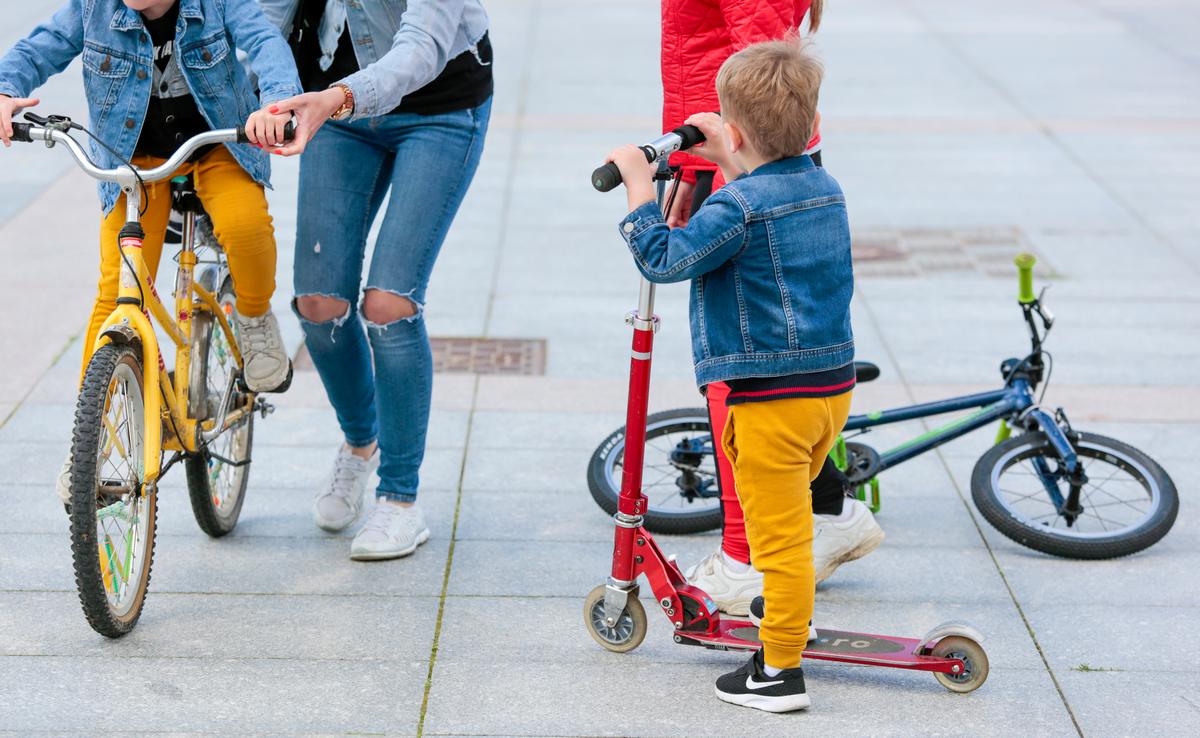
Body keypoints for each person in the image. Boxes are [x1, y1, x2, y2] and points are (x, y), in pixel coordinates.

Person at [607, 39, 853, 712]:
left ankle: (780, 671)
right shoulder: (825, 187)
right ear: (812, 123)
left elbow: (664, 259)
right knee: (789, 519)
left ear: (735, 131)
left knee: (779, 543)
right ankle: (788, 612)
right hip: (829, 392)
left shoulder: (736, 208)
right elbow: (764, 184)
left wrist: (639, 186)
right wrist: (726, 155)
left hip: (771, 403)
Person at [0, 0, 302, 504]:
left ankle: (252, 316)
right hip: (133, 161)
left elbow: (265, 43)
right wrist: (6, 88)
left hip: (216, 145)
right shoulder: (93, 8)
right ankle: (92, 445)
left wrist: (278, 105)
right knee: (116, 292)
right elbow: (40, 47)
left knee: (245, 226)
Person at [659, 0, 883, 615]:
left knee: (743, 378)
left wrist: (706, 175)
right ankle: (827, 511)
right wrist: (694, 165)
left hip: (749, 164)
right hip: (733, 153)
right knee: (765, 372)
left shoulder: (753, 150)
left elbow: (764, 71)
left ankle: (746, 558)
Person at [249, 0, 492, 560]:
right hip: (336, 111)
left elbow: (421, 48)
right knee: (318, 304)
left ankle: (401, 500)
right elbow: (263, 19)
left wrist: (335, 98)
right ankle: (362, 443)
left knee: (389, 304)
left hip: (440, 107)